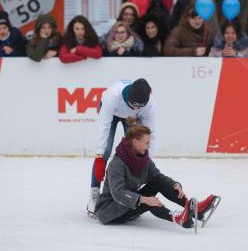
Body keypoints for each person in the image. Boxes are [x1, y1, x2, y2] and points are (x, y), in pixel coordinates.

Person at [95, 125, 221, 232]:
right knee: (149, 202)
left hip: (129, 203)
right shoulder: (117, 164)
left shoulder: (143, 160)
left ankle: (195, 209)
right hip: (111, 211)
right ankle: (178, 218)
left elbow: (157, 176)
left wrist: (175, 185)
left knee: (157, 182)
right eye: (146, 143)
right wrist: (143, 199)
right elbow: (118, 194)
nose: (148, 146)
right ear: (135, 142)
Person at [87, 78, 156, 217]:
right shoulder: (113, 96)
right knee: (106, 150)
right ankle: (94, 193)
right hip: (111, 113)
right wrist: (99, 155)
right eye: (133, 105)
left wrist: (146, 160)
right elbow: (103, 126)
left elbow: (150, 134)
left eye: (139, 107)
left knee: (135, 150)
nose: (136, 108)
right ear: (128, 99)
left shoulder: (149, 104)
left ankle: (127, 193)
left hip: (130, 117)